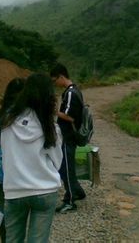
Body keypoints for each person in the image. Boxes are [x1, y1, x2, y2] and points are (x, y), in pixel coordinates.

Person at [0, 73, 63, 243]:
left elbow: (5, 155)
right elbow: (57, 162)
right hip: (44, 191)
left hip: (14, 190)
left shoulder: (7, 123)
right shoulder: (50, 127)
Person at [0, 77, 25, 242]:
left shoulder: (0, 115)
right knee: (19, 210)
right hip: (17, 169)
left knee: (2, 206)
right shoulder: (26, 116)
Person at [50, 63, 86, 213]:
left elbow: (71, 117)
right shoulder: (74, 90)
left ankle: (70, 200)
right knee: (66, 167)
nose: (55, 84)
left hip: (68, 136)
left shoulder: (70, 93)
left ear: (61, 77)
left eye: (55, 80)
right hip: (69, 135)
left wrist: (54, 112)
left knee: (66, 168)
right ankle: (77, 191)